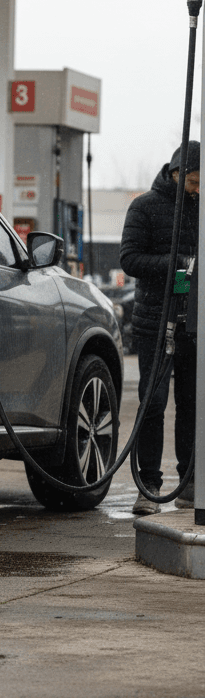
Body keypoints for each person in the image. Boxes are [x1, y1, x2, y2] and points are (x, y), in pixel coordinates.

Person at [120, 142, 199, 514]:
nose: (198, 191)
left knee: (192, 404)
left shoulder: (201, 209)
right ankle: (148, 485)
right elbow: (129, 259)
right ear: (177, 173)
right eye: (194, 183)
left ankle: (191, 481)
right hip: (155, 322)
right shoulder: (144, 207)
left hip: (193, 324)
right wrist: (176, 264)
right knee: (153, 404)